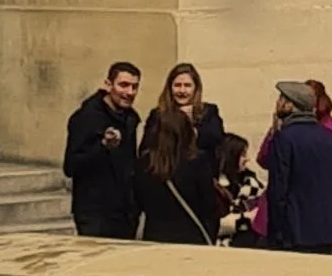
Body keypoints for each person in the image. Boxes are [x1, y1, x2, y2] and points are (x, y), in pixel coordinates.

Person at [258, 78, 332, 253]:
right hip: (325, 228)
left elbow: (279, 188)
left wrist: (276, 230)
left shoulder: (284, 138)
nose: (278, 103)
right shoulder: (329, 137)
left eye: (282, 99)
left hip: (293, 231)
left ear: (291, 105)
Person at [61, 58, 143, 240]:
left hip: (125, 213)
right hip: (95, 213)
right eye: (123, 85)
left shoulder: (130, 119)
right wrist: (103, 146)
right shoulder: (86, 117)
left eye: (134, 87)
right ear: (108, 85)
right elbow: (71, 166)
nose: (129, 92)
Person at [138, 87, 223, 248]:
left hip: (155, 236)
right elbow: (208, 204)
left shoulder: (145, 163)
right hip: (191, 238)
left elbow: (138, 202)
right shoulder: (197, 161)